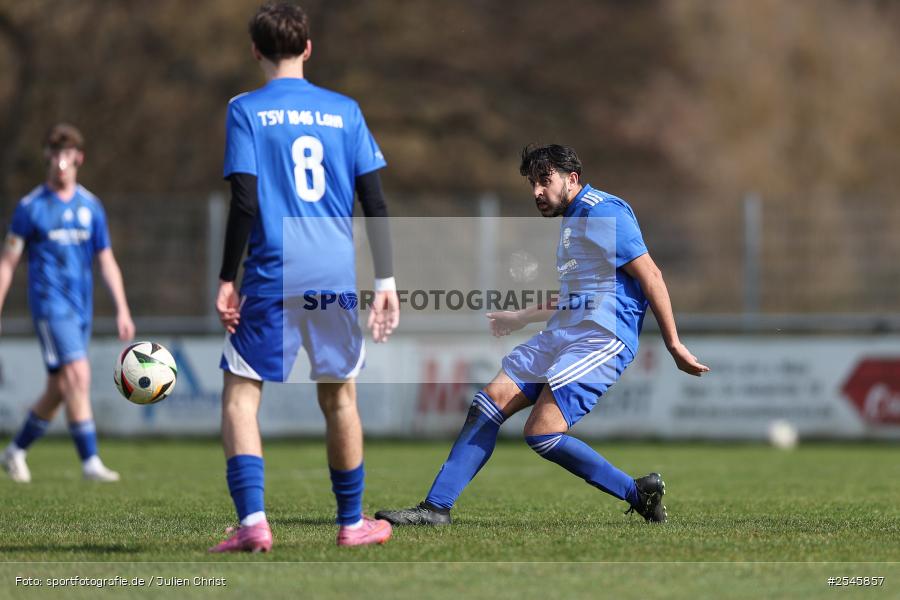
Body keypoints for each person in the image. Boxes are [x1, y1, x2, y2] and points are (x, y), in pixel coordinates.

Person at [376, 144, 709, 526]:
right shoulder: (573, 220)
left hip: (601, 337)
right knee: (488, 403)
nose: (536, 191)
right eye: (532, 183)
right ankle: (435, 509)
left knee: (542, 433)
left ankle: (637, 493)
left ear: (572, 178)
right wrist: (522, 317)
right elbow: (573, 295)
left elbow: (651, 275)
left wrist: (673, 343)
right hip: (563, 332)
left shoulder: (603, 211)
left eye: (544, 181)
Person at [209, 2, 400, 552]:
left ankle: (253, 524)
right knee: (339, 399)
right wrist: (385, 280)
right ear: (308, 48)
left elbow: (244, 201)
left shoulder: (245, 108)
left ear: (255, 51)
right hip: (332, 276)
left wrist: (228, 277)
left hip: (272, 272)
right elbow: (375, 201)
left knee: (242, 397)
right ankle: (352, 523)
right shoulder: (346, 110)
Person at [0, 123, 135, 483]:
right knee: (79, 375)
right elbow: (8, 262)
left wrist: (122, 307)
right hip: (49, 306)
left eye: (67, 154)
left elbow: (106, 259)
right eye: (55, 153)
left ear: (79, 158)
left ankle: (15, 451)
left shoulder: (91, 207)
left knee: (60, 388)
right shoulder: (31, 207)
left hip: (80, 309)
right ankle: (90, 461)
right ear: (47, 156)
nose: (61, 161)